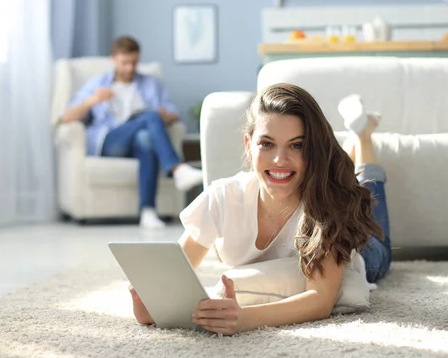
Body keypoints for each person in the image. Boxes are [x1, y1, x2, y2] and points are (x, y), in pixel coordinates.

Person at [129, 83, 392, 334]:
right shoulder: (223, 197)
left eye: (297, 145)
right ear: (248, 145)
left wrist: (244, 319)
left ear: (313, 150)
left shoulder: (330, 201)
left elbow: (320, 300)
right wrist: (152, 306)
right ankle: (354, 142)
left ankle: (363, 136)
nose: (280, 159)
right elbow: (177, 275)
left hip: (363, 251)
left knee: (369, 196)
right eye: (267, 143)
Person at [61, 35, 203, 229]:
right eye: (124, 63)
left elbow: (173, 115)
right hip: (110, 140)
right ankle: (177, 169)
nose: (130, 68)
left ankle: (148, 212)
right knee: (150, 117)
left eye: (134, 62)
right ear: (113, 60)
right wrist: (92, 101)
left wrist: (166, 117)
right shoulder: (97, 84)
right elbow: (66, 117)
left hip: (138, 140)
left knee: (146, 138)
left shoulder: (150, 84)